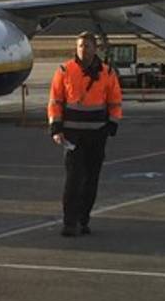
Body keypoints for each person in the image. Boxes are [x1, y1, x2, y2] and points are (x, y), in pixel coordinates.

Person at [48, 32, 123, 237]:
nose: (83, 49)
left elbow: (115, 101)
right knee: (74, 179)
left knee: (91, 180)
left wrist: (112, 124)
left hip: (97, 134)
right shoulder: (64, 70)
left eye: (87, 46)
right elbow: (55, 101)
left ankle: (83, 219)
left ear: (95, 48)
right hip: (72, 134)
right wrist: (56, 128)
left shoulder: (107, 73)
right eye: (80, 46)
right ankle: (69, 221)